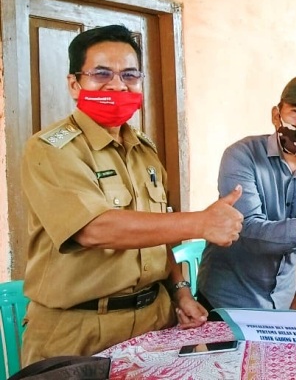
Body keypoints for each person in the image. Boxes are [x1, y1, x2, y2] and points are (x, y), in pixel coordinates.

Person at [20, 25, 244, 365]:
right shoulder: (51, 149)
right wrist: (199, 223)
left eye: (129, 75)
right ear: (74, 84)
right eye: (101, 74)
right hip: (78, 333)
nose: (117, 85)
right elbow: (94, 229)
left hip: (155, 321)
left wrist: (179, 290)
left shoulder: (144, 149)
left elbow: (156, 232)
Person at [196, 74, 296, 312]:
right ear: (277, 115)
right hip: (225, 304)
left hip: (283, 304)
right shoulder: (241, 156)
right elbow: (246, 230)